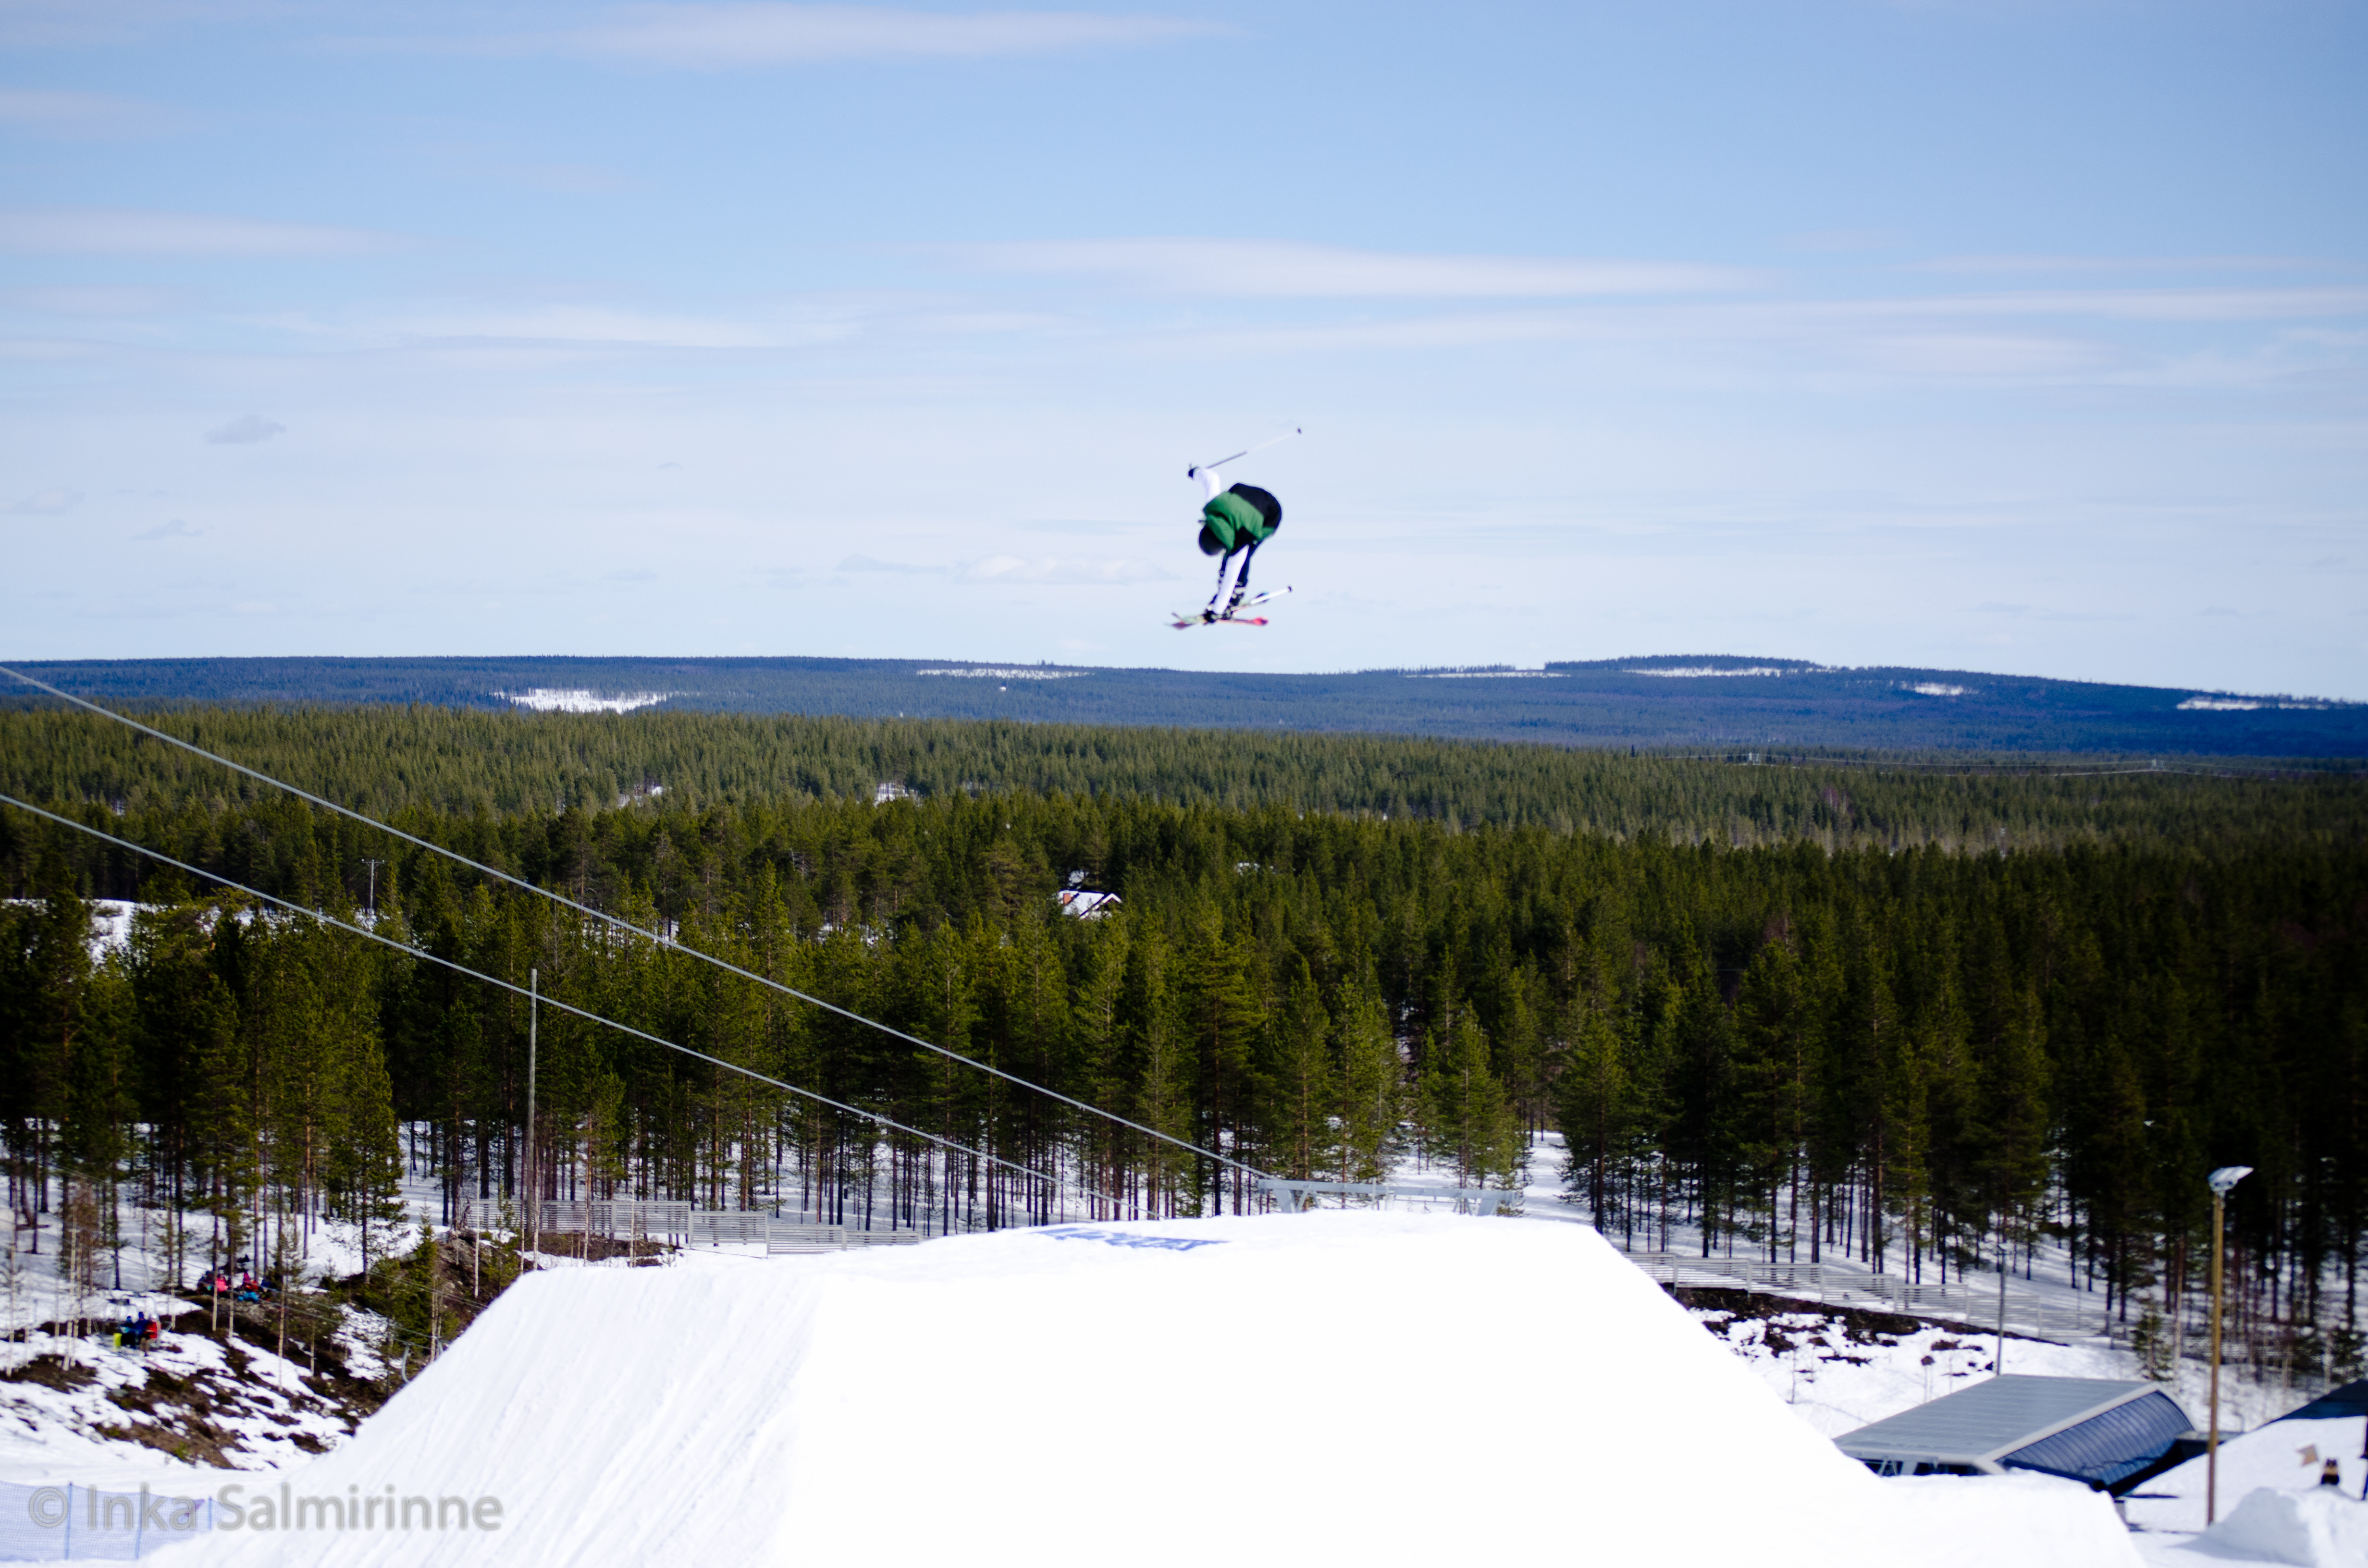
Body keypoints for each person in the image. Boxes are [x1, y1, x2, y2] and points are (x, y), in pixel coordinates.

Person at [1187, 462, 1282, 620]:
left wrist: (1217, 611)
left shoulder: (1242, 540)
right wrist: (1196, 472)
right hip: (1249, 496)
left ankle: (1236, 595)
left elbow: (1231, 577)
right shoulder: (1212, 507)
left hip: (1270, 516)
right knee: (1232, 554)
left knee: (1241, 556)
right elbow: (1211, 479)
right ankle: (1226, 598)